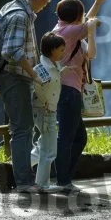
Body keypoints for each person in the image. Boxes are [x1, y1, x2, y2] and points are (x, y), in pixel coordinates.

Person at [0, 0, 53, 193]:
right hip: (14, 77)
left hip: (15, 76)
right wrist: (34, 75)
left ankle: (25, 180)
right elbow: (11, 51)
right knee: (22, 129)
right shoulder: (19, 15)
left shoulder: (12, 8)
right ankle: (25, 183)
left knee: (24, 127)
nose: (48, 2)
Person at [53, 0, 108, 193]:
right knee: (67, 137)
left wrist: (97, 3)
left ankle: (65, 175)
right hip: (68, 90)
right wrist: (95, 19)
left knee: (78, 137)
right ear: (76, 16)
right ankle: (62, 180)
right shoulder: (70, 32)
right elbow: (90, 23)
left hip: (70, 90)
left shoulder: (63, 29)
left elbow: (86, 23)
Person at [29, 32, 73, 193]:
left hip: (49, 109)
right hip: (45, 110)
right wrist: (43, 100)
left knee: (44, 144)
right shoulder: (41, 68)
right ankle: (41, 184)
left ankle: (22, 165)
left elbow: (50, 82)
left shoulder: (54, 66)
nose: (63, 53)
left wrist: (62, 74)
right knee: (49, 149)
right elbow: (37, 85)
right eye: (61, 50)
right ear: (53, 50)